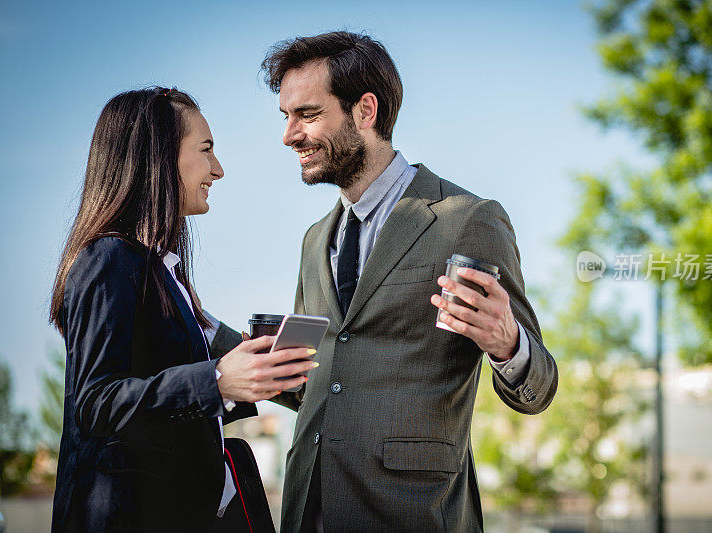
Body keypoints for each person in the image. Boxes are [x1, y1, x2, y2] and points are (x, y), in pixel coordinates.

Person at [210, 31, 559, 532]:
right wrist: (216, 334)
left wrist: (508, 343)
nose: (289, 135)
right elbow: (314, 382)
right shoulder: (315, 241)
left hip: (414, 511)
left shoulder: (466, 219)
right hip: (311, 509)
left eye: (307, 115)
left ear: (365, 110)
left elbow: (538, 388)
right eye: (286, 117)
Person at [49, 87, 316, 532]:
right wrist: (216, 379)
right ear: (156, 156)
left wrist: (246, 381)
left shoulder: (160, 270)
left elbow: (159, 406)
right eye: (206, 150)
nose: (218, 169)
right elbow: (94, 403)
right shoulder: (110, 258)